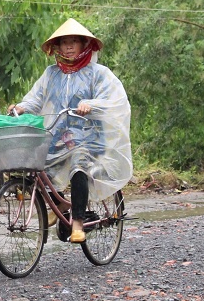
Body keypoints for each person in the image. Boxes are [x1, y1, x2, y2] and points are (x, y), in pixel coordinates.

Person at [8, 18, 132, 243]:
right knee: (35, 163)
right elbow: (36, 98)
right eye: (64, 42)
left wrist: (91, 105)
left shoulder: (98, 73)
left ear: (84, 45)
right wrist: (21, 107)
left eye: (74, 41)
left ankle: (77, 224)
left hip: (88, 136)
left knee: (78, 165)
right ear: (57, 46)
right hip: (58, 134)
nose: (68, 46)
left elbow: (113, 99)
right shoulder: (51, 73)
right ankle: (58, 205)